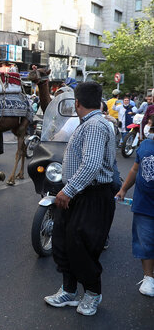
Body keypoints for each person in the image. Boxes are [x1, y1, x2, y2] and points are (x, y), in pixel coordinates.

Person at [44, 81, 116, 316]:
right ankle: (69, 291)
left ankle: (93, 293)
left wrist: (68, 190)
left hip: (91, 195)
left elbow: (92, 165)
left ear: (76, 103)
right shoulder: (87, 123)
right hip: (77, 193)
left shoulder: (95, 125)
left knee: (82, 246)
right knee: (63, 242)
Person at [115, 121, 154, 297]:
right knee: (145, 241)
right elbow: (134, 170)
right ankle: (148, 277)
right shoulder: (145, 146)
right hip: (144, 205)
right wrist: (123, 189)